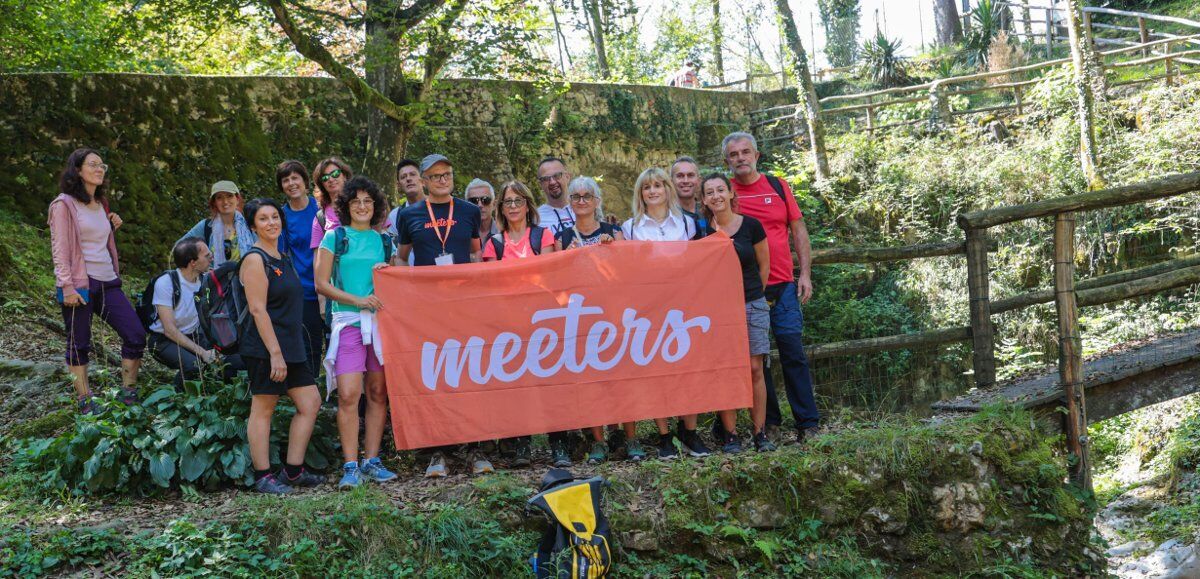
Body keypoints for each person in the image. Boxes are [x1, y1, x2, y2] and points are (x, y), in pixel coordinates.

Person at [723, 131, 820, 443]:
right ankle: (770, 423)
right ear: (727, 160)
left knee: (793, 352)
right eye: (734, 154)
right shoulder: (725, 193)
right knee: (758, 361)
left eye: (745, 152)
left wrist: (804, 273)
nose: (740, 158)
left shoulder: (778, 186)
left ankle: (807, 423)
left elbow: (798, 229)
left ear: (756, 155)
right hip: (748, 292)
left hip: (784, 286)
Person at [394, 154, 485, 478]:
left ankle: (475, 448)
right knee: (435, 375)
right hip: (427, 310)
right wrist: (404, 289)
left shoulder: (470, 211)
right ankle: (438, 452)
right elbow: (402, 259)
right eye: (435, 176)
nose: (443, 180)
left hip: (464, 307)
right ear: (423, 181)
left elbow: (476, 253)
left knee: (470, 373)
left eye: (447, 174)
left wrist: (476, 290)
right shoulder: (410, 215)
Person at [620, 167, 709, 460]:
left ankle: (690, 431)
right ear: (640, 193)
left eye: (658, 185)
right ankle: (664, 435)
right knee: (657, 372)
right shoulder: (629, 228)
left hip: (684, 307)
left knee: (688, 370)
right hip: (650, 310)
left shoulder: (688, 225)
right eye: (647, 187)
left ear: (668, 189)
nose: (653, 191)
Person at [315, 176, 398, 489]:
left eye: (368, 201)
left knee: (378, 392)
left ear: (375, 206)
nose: (362, 207)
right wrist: (358, 300)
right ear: (346, 206)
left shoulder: (384, 241)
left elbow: (393, 284)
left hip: (380, 324)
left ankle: (372, 459)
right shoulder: (335, 238)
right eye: (356, 202)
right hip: (348, 322)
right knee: (350, 393)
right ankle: (350, 466)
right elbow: (321, 283)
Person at [49, 148, 145, 413]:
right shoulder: (63, 204)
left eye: (102, 165)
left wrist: (110, 225)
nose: (100, 168)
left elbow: (93, 240)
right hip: (80, 284)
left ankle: (128, 391)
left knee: (135, 334)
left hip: (108, 281)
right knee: (79, 342)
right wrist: (66, 286)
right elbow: (61, 248)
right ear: (77, 170)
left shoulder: (101, 205)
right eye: (93, 164)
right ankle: (84, 399)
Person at [239, 198, 324, 495]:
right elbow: (258, 310)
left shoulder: (281, 256)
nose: (272, 222)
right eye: (263, 219)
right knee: (264, 408)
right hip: (265, 347)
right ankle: (263, 476)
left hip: (291, 344)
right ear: (253, 226)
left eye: (275, 216)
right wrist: (275, 353)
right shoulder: (254, 259)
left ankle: (293, 470)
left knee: (310, 402)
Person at [557, 177, 639, 464]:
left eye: (587, 196)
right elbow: (557, 284)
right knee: (590, 379)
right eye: (576, 196)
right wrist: (565, 261)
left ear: (597, 200)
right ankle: (599, 441)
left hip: (613, 315)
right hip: (580, 317)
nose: (581, 201)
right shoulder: (563, 238)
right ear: (569, 202)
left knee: (621, 377)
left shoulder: (613, 232)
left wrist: (612, 252)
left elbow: (628, 273)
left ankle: (631, 439)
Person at [481, 180, 561, 468]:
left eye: (518, 201)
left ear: (528, 205)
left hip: (543, 321)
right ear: (501, 208)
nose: (513, 207)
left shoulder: (543, 236)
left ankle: (559, 442)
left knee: (551, 383)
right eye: (507, 202)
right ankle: (522, 444)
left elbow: (549, 278)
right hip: (510, 324)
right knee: (518, 384)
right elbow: (492, 288)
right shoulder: (495, 243)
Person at [701, 173, 775, 453]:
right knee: (726, 371)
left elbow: (763, 266)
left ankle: (760, 433)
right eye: (710, 192)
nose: (716, 196)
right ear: (704, 200)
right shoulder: (702, 232)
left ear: (731, 193)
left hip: (752, 304)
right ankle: (730, 435)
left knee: (756, 368)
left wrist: (751, 295)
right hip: (718, 312)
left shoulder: (752, 226)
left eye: (721, 190)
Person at [147, 238, 244, 390]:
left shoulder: (205, 281)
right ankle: (176, 398)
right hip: (164, 341)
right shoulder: (167, 282)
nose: (211, 256)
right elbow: (169, 330)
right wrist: (203, 353)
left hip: (197, 336)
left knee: (235, 361)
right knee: (195, 366)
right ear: (193, 262)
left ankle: (218, 396)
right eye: (206, 255)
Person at [276, 160, 323, 375]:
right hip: (303, 290)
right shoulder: (281, 217)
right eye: (286, 180)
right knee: (310, 343)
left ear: (305, 181)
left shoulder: (321, 208)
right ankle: (312, 387)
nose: (291, 183)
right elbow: (281, 255)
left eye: (295, 178)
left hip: (331, 286)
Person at [179, 181, 256, 266]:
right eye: (219, 197)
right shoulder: (206, 226)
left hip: (245, 277)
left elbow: (264, 252)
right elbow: (179, 248)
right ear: (214, 202)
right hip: (214, 278)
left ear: (237, 199)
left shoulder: (249, 225)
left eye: (229, 196)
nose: (225, 201)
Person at [309, 157, 354, 251]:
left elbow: (384, 239)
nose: (330, 179)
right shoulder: (320, 218)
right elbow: (318, 260)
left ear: (344, 176)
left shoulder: (364, 205)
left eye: (335, 174)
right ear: (322, 185)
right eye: (325, 178)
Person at [535, 156, 576, 236]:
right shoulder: (536, 218)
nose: (552, 182)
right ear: (541, 184)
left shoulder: (584, 208)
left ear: (567, 177)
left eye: (557, 175)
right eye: (546, 179)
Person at [386, 158, 425, 235]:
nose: (408, 179)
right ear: (399, 186)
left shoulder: (438, 206)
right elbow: (391, 244)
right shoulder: (394, 216)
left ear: (423, 180)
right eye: (403, 177)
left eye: (413, 174)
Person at [671, 156, 709, 234]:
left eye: (690, 175)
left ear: (699, 180)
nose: (686, 181)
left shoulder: (709, 210)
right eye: (680, 176)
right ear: (671, 181)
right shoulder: (665, 215)